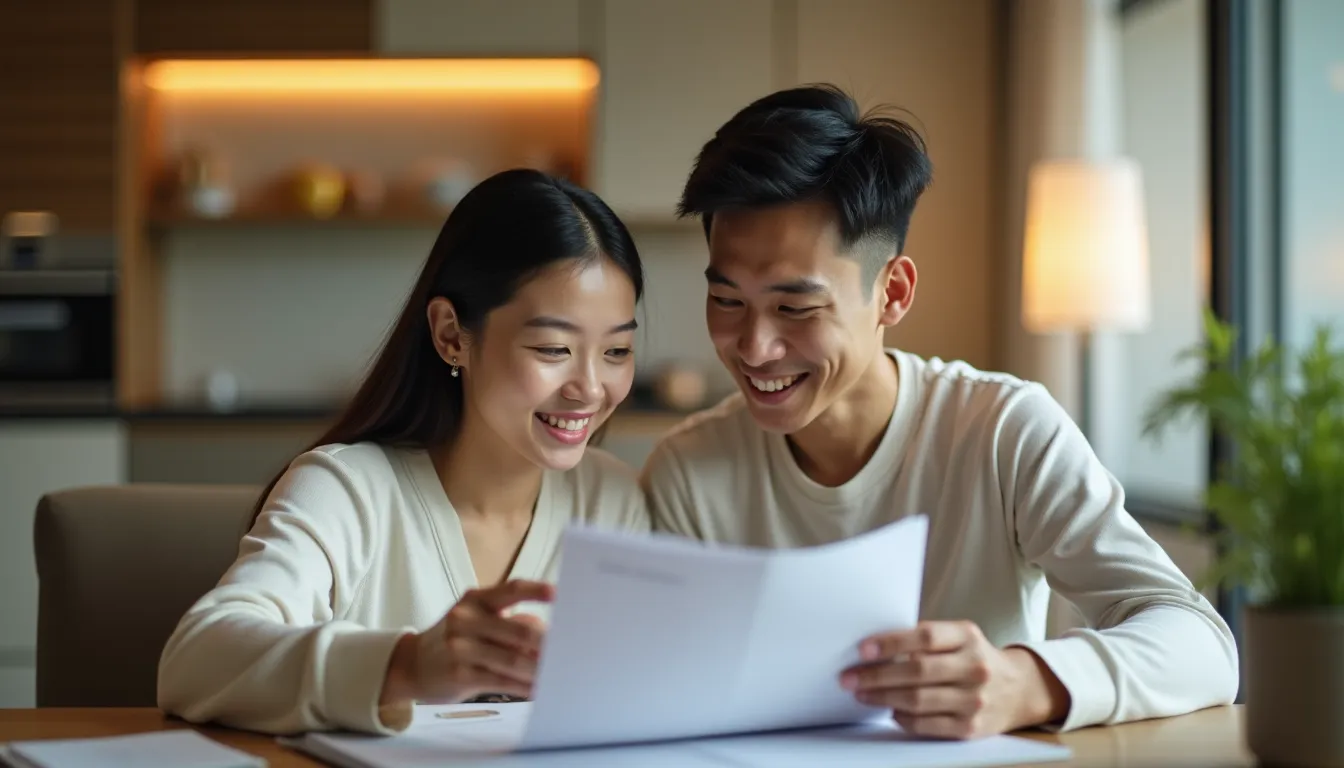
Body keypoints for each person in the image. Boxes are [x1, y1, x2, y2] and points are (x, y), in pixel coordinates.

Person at [640, 84, 1239, 739]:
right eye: (727, 302)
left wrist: (1026, 682)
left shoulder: (1002, 432)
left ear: (892, 292)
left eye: (795, 308)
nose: (754, 347)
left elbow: (1202, 645)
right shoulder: (687, 471)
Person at [158, 168, 650, 736]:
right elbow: (193, 662)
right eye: (553, 348)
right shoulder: (347, 490)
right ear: (450, 335)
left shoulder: (611, 501)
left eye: (617, 350)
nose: (590, 387)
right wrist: (408, 666)